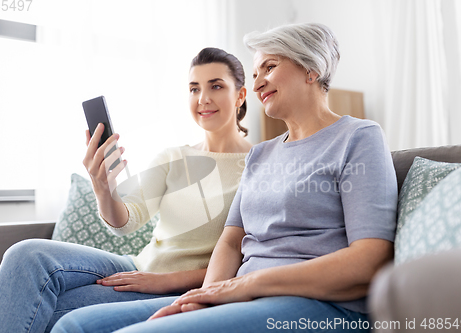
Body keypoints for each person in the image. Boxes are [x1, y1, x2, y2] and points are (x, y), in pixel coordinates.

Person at [51, 23, 398, 333]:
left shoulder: (358, 137)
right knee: (75, 324)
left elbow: (370, 258)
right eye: (255, 70)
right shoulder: (261, 155)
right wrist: (204, 297)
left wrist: (246, 286)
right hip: (243, 295)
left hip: (318, 304)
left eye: (270, 67)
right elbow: (231, 243)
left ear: (312, 69)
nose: (258, 81)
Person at [0, 47, 252, 333]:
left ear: (241, 95)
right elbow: (126, 221)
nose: (202, 99)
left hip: (177, 288)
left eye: (216, 86)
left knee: (38, 306)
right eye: (194, 88)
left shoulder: (258, 165)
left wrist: (166, 281)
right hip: (137, 265)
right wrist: (103, 188)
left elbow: (248, 258)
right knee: (26, 254)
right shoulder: (173, 156)